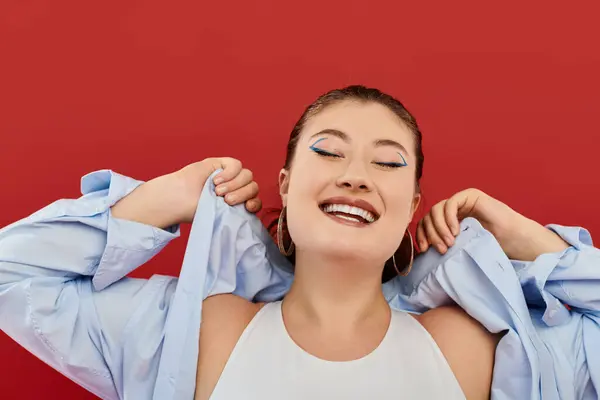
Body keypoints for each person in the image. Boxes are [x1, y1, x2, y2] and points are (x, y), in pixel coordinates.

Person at [0, 86, 596, 400]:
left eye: (388, 163)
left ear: (413, 207)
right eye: (328, 151)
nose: (355, 175)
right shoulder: (198, 332)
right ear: (285, 185)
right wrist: (170, 195)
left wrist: (531, 242)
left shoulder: (469, 348)